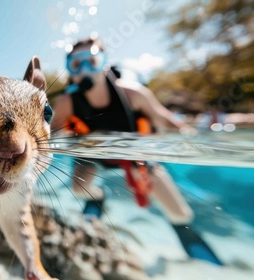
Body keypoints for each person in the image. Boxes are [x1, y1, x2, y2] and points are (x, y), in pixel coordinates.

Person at [50, 37, 222, 265]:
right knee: (80, 188)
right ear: (69, 71)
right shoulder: (67, 101)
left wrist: (192, 134)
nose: (84, 70)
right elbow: (51, 135)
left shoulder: (133, 93)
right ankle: (99, 198)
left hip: (136, 156)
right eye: (75, 65)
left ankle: (191, 243)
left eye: (91, 61)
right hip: (92, 156)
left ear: (104, 64)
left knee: (180, 213)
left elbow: (167, 120)